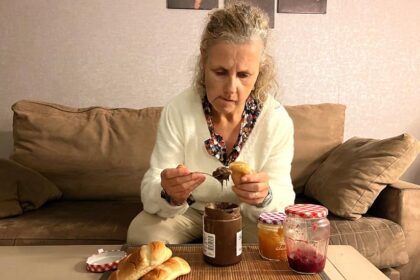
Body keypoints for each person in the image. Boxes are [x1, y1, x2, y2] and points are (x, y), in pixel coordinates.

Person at [127, 2, 295, 245]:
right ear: (204, 60)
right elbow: (153, 182)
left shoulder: (276, 120)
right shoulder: (178, 110)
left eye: (244, 75)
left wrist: (264, 197)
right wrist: (169, 193)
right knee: (142, 233)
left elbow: (283, 196)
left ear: (260, 70)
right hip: (191, 212)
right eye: (220, 72)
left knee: (282, 240)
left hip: (244, 215)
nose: (230, 89)